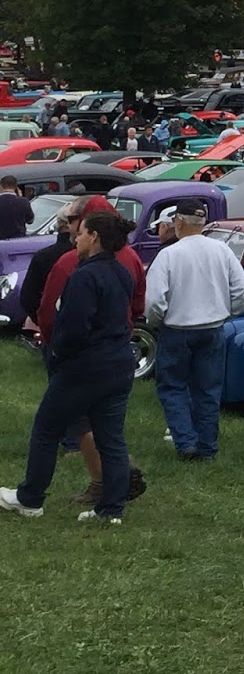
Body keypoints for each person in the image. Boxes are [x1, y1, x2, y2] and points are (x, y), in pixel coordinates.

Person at [0, 210, 138, 524]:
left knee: (47, 428)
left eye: (81, 233)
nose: (76, 239)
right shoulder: (121, 271)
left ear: (95, 238)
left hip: (86, 366)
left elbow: (74, 327)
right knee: (111, 437)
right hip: (119, 362)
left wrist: (58, 355)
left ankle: (29, 498)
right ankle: (111, 509)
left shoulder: (85, 275)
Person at [144, 199, 244, 461]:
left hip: (177, 329)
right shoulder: (222, 251)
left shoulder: (169, 255)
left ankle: (186, 442)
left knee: (173, 387)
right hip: (213, 327)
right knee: (208, 389)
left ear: (178, 222)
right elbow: (242, 292)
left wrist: (157, 321)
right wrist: (228, 312)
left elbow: (154, 300)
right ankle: (207, 445)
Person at [0, 175, 33, 240]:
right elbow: (30, 220)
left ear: (1, 186)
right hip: (18, 239)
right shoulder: (23, 201)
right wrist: (20, 197)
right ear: (16, 187)